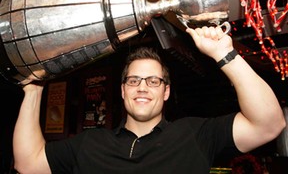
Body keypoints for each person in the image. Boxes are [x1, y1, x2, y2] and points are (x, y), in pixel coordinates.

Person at [13, 25, 286, 174]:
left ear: (165, 92)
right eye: (134, 80)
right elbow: (28, 164)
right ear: (122, 90)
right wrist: (34, 89)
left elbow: (269, 124)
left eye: (153, 81)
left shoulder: (196, 134)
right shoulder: (90, 143)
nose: (142, 87)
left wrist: (225, 54)